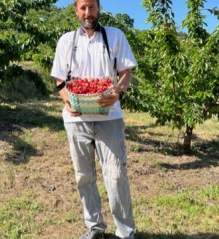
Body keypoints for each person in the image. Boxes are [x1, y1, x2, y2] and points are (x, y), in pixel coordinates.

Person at [50, 0, 137, 238]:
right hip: (76, 120)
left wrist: (117, 92)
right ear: (76, 11)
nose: (88, 13)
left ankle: (125, 231)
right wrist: (69, 101)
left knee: (116, 173)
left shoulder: (115, 36)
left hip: (110, 117)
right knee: (84, 175)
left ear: (99, 9)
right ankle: (94, 227)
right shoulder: (66, 41)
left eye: (92, 7)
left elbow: (126, 71)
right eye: (83, 8)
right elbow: (59, 81)